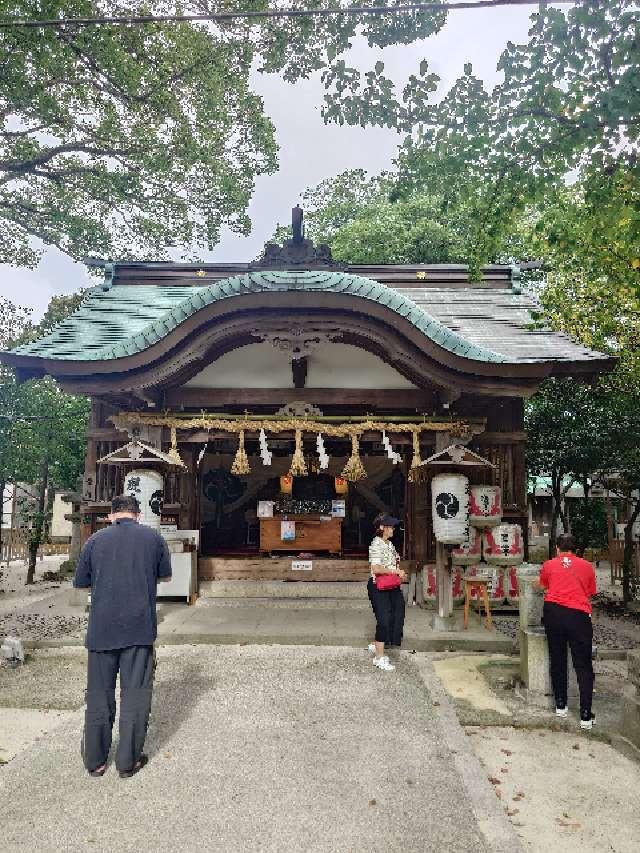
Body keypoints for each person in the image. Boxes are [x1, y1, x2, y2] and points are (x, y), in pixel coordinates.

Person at [74, 494, 172, 777]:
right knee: (135, 695)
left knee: (98, 695)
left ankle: (95, 761)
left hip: (102, 628)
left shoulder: (95, 541)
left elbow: (81, 584)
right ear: (138, 514)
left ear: (111, 515)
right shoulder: (153, 538)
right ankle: (127, 762)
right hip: (139, 627)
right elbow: (165, 577)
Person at [535, 532, 597, 729]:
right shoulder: (587, 566)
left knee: (558, 657)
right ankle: (585, 714)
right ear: (575, 549)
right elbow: (590, 592)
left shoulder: (548, 565)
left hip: (553, 613)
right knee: (583, 664)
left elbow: (542, 585)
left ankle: (560, 705)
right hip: (578, 616)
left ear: (557, 548)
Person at [367, 514, 406, 672]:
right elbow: (376, 568)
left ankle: (377, 644)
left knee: (396, 613)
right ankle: (379, 658)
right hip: (379, 586)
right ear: (382, 528)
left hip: (392, 585)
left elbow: (393, 561)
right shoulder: (376, 544)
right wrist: (395, 571)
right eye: (390, 526)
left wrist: (398, 573)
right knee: (383, 619)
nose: (393, 529)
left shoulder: (389, 544)